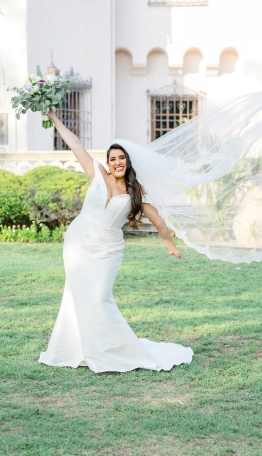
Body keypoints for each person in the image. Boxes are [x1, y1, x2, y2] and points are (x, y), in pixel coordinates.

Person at [38, 110, 194, 373]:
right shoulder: (96, 174)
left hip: (108, 249)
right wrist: (53, 118)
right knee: (76, 294)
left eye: (122, 158)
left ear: (128, 162)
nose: (117, 162)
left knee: (100, 297)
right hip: (78, 244)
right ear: (108, 163)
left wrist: (170, 245)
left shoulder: (135, 192)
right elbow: (75, 144)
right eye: (113, 158)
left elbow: (157, 220)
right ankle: (79, 348)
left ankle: (115, 349)